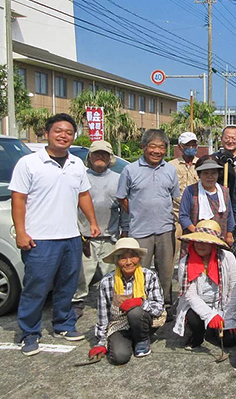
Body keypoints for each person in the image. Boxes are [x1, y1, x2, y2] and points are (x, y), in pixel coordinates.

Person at [9, 113, 100, 356]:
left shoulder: (76, 164)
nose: (64, 136)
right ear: (47, 133)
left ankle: (63, 324)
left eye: (69, 133)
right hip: (40, 238)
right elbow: (18, 199)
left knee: (67, 285)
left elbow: (83, 195)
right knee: (36, 287)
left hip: (70, 236)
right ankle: (29, 333)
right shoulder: (29, 163)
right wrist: (21, 232)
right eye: (58, 131)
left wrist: (92, 222)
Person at [117, 129, 180, 308]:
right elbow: (122, 197)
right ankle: (141, 304)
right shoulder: (130, 170)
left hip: (166, 229)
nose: (157, 151)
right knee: (140, 271)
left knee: (166, 271)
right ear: (144, 147)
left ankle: (165, 305)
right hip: (140, 231)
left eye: (161, 147)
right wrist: (135, 210)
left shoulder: (170, 170)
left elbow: (173, 196)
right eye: (153, 146)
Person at [73, 140, 130, 319]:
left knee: (110, 274)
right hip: (85, 237)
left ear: (110, 158)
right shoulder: (80, 177)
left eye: (104, 154)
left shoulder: (118, 178)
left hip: (110, 236)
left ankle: (111, 302)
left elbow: (124, 207)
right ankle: (77, 302)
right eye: (96, 154)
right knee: (82, 273)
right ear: (89, 157)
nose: (100, 157)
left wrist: (125, 231)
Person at [89, 237, 164, 365]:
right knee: (120, 357)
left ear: (139, 258)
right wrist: (101, 342)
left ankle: (142, 339)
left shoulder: (149, 275)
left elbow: (159, 308)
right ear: (117, 261)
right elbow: (103, 314)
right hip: (119, 324)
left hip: (143, 321)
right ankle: (128, 340)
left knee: (135, 312)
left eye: (133, 257)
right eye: (123, 258)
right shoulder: (107, 281)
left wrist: (141, 302)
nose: (128, 262)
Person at [172, 220, 236, 350]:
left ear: (214, 244)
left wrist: (229, 317)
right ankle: (197, 334)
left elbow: (234, 288)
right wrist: (210, 315)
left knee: (229, 340)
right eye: (197, 241)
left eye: (205, 242)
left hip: (222, 303)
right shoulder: (184, 263)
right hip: (197, 305)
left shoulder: (228, 258)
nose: (200, 245)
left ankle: (213, 330)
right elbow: (190, 295)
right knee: (194, 319)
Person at [179, 157, 234, 247]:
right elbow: (183, 216)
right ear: (199, 174)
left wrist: (229, 235)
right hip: (195, 239)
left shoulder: (224, 192)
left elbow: (229, 216)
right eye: (205, 173)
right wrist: (199, 233)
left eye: (213, 173)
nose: (210, 177)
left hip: (219, 239)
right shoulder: (190, 191)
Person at [169, 132, 201, 262]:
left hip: (196, 218)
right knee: (171, 255)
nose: (191, 147)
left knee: (197, 254)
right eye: (187, 145)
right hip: (176, 218)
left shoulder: (201, 164)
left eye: (193, 144)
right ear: (180, 147)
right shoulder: (171, 166)